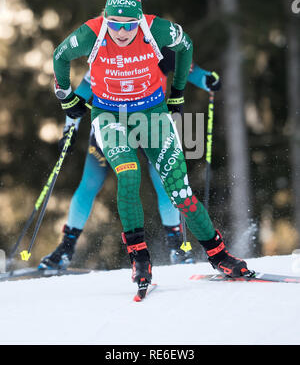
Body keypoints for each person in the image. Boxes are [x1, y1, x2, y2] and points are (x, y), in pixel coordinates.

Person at [47, 0, 250, 293]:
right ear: (106, 17)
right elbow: (68, 69)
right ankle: (130, 257)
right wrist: (67, 111)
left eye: (130, 24)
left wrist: (185, 90)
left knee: (176, 190)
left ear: (140, 16)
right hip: (110, 120)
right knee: (116, 178)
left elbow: (187, 55)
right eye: (115, 23)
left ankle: (211, 253)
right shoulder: (95, 36)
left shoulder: (156, 35)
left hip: (152, 116)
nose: (122, 31)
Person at [38, 54, 221, 270]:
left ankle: (177, 247)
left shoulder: (154, 47)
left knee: (166, 184)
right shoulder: (103, 53)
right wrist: (70, 129)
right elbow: (79, 96)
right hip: (110, 128)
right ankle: (65, 249)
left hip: (148, 126)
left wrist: (208, 79)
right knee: (89, 183)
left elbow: (189, 68)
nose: (122, 33)